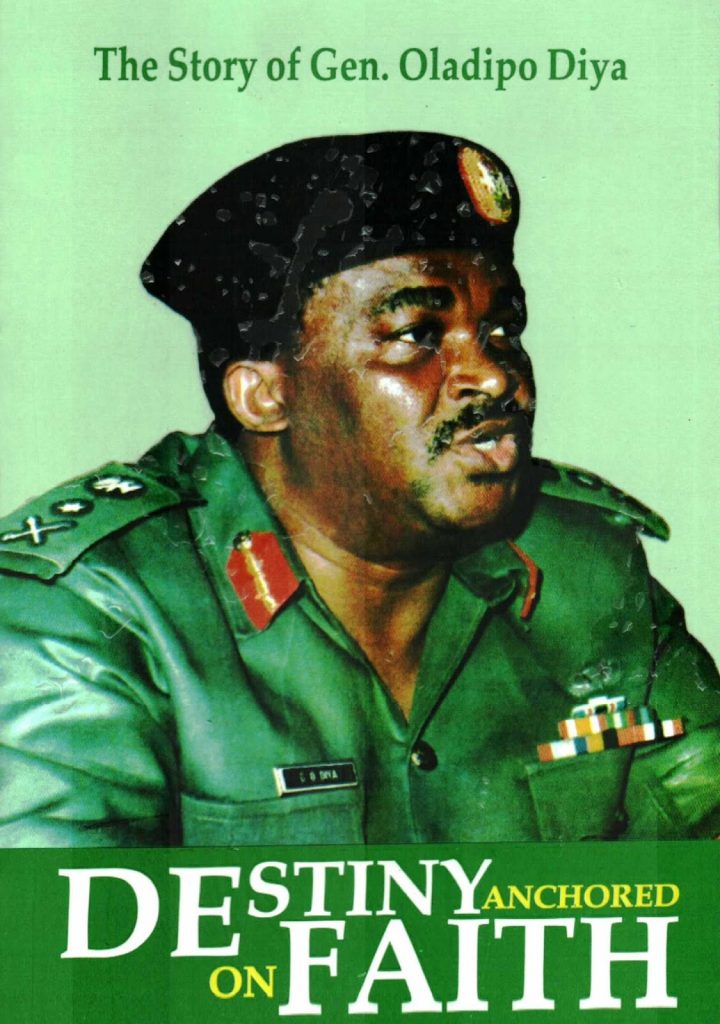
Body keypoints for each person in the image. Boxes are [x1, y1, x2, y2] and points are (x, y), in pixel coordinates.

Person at [0, 131, 717, 847]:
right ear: (264, 396)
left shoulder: (587, 574)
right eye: (416, 335)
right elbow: (54, 914)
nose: (494, 375)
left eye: (502, 328)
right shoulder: (89, 617)